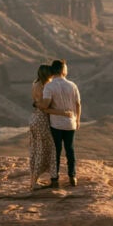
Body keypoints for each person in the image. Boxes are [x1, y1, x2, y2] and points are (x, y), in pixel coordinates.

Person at [38, 59, 81, 187]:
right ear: (63, 70)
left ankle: (55, 179)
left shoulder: (49, 86)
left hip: (56, 124)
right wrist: (77, 120)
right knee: (70, 150)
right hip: (70, 123)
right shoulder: (72, 85)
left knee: (56, 151)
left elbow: (45, 104)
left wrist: (38, 105)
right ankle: (72, 176)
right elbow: (78, 104)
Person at [29, 64, 72, 190]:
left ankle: (33, 181)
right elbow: (44, 108)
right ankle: (35, 182)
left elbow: (37, 104)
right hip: (42, 119)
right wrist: (63, 113)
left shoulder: (35, 84)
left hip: (35, 118)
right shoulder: (44, 86)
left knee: (37, 149)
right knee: (45, 149)